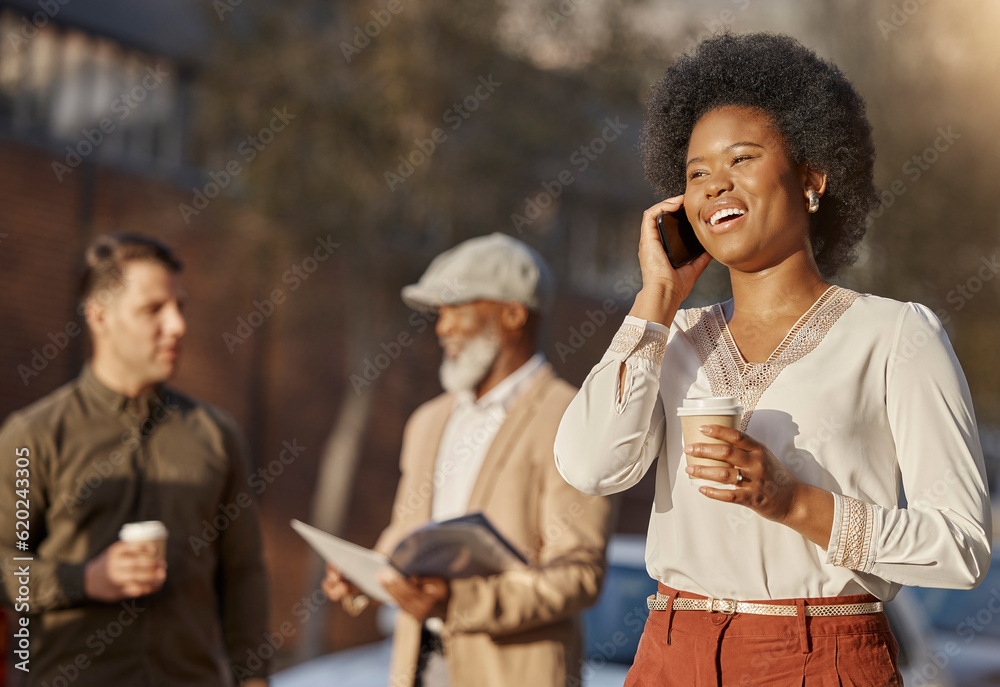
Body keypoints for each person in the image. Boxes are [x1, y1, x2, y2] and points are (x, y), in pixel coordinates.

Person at [554, 32, 992, 686]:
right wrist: (656, 296)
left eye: (741, 158)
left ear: (812, 178)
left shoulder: (897, 334)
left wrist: (794, 502)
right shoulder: (670, 338)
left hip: (824, 653)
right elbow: (589, 466)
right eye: (696, 172)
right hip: (670, 652)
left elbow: (962, 547)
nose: (714, 185)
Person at [323, 232, 613, 687]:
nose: (442, 327)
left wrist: (457, 603)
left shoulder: (570, 417)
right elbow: (406, 533)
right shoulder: (428, 420)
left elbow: (578, 574)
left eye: (456, 309)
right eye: (440, 313)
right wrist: (368, 575)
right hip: (418, 665)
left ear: (513, 314)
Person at [0, 234, 270, 686]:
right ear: (99, 316)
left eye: (181, 306)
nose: (177, 325)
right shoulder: (33, 436)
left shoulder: (216, 436)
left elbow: (244, 574)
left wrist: (254, 678)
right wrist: (83, 579)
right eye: (153, 309)